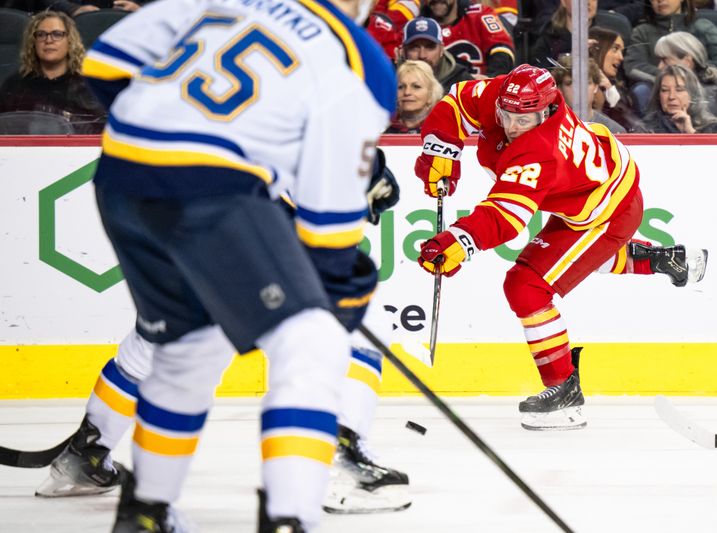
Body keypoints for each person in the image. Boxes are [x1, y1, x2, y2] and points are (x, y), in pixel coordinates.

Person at [79, 0, 396, 530]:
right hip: (212, 194)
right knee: (313, 342)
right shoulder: (360, 59)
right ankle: (289, 517)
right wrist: (338, 279)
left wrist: (169, 129)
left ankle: (146, 511)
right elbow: (329, 223)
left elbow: (105, 63)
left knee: (189, 345)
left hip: (120, 176)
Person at [34, 157, 411, 516]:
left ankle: (86, 452)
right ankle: (339, 464)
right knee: (359, 329)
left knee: (159, 344)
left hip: (163, 219)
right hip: (234, 228)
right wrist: (369, 171)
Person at [413, 64, 707, 431]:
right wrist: (441, 147)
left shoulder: (540, 150)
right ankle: (665, 259)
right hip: (592, 190)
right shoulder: (506, 95)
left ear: (548, 109)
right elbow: (456, 104)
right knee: (573, 260)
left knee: (526, 286)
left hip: (607, 213)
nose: (514, 127)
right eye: (508, 116)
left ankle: (564, 390)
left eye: (526, 119)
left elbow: (504, 216)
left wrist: (460, 240)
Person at [0, 10, 105, 133]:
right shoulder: (14, 85)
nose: (49, 40)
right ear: (33, 43)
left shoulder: (89, 86)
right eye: (41, 34)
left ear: (70, 41)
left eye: (57, 34)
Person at [624, 0, 717, 86]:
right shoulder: (642, 32)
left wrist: (691, 72)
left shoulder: (702, 27)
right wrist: (672, 75)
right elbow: (634, 67)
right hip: (657, 92)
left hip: (702, 91)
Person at [654, 31, 717, 129]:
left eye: (664, 60)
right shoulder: (658, 91)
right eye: (665, 90)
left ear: (687, 62)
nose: (659, 67)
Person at [420, 0, 515, 77]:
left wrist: (490, 80)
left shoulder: (480, 14)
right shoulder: (415, 27)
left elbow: (503, 50)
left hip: (477, 93)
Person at [639, 64, 717, 132]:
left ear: (693, 93)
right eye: (665, 90)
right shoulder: (646, 129)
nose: (671, 96)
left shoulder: (714, 129)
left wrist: (690, 132)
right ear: (658, 95)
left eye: (679, 90)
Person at [588, 26, 645, 132]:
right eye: (615, 49)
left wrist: (609, 89)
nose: (621, 57)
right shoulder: (574, 81)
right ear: (596, 49)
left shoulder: (619, 90)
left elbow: (627, 126)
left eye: (621, 51)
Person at [550, 54, 626, 133]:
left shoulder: (613, 131)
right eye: (570, 83)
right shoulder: (546, 128)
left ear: (596, 87)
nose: (579, 89)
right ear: (560, 89)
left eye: (586, 82)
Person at [398, 16, 474, 92]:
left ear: (441, 50)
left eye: (430, 47)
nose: (422, 55)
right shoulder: (391, 79)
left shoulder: (462, 82)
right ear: (404, 51)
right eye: (414, 47)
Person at [526, 0, 598, 68]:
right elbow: (541, 78)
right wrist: (571, 60)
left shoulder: (606, 36)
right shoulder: (547, 40)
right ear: (563, 1)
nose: (587, 2)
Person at [386, 60, 444, 133]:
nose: (407, 92)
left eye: (416, 87)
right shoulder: (382, 125)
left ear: (431, 94)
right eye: (401, 87)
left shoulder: (446, 128)